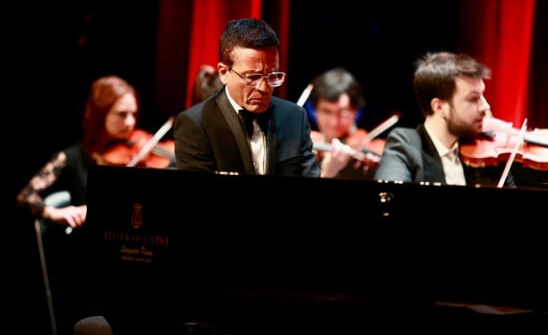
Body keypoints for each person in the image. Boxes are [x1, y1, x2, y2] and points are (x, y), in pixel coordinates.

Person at [15, 75, 145, 335]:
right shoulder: (74, 157)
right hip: (90, 262)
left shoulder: (141, 153)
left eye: (133, 114)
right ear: (100, 114)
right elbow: (27, 195)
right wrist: (57, 212)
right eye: (121, 114)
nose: (130, 122)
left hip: (134, 258)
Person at [373, 51, 548, 187]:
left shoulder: (487, 156)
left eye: (483, 95)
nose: (486, 106)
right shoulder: (405, 145)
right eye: (473, 99)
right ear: (439, 107)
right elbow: (389, 204)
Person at [173, 17, 320, 177]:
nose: (264, 88)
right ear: (224, 73)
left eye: (273, 76)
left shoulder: (295, 118)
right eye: (253, 77)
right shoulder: (195, 124)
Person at [307, 67, 383, 179]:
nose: (334, 122)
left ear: (356, 111)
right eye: (326, 112)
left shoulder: (369, 151)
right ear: (315, 110)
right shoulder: (306, 148)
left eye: (343, 113)